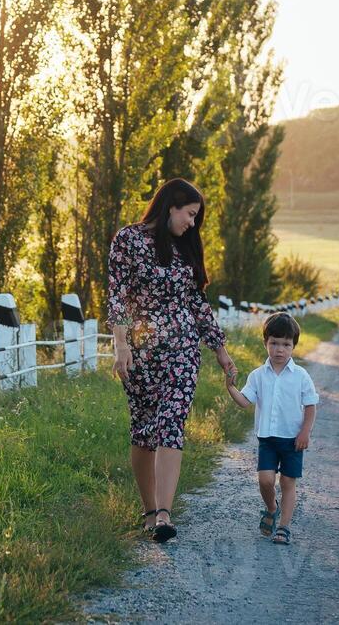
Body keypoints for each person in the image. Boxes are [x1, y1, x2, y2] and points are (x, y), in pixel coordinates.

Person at [107, 177, 237, 543]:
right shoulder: (128, 240)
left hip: (182, 349)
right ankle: (149, 512)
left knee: (171, 422)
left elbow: (197, 302)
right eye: (190, 215)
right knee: (143, 429)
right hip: (139, 350)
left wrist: (220, 349)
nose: (192, 224)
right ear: (171, 206)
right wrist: (120, 345)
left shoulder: (186, 250)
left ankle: (165, 513)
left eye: (196, 218)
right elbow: (117, 295)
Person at [223, 311, 318, 546]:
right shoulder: (258, 376)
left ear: (293, 346)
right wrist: (230, 387)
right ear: (265, 343)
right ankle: (271, 507)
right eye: (274, 343)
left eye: (286, 344)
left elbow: (310, 405)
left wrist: (305, 432)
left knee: (288, 482)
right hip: (267, 438)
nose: (279, 350)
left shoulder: (301, 376)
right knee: (265, 481)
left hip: (292, 440)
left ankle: (284, 528)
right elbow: (245, 401)